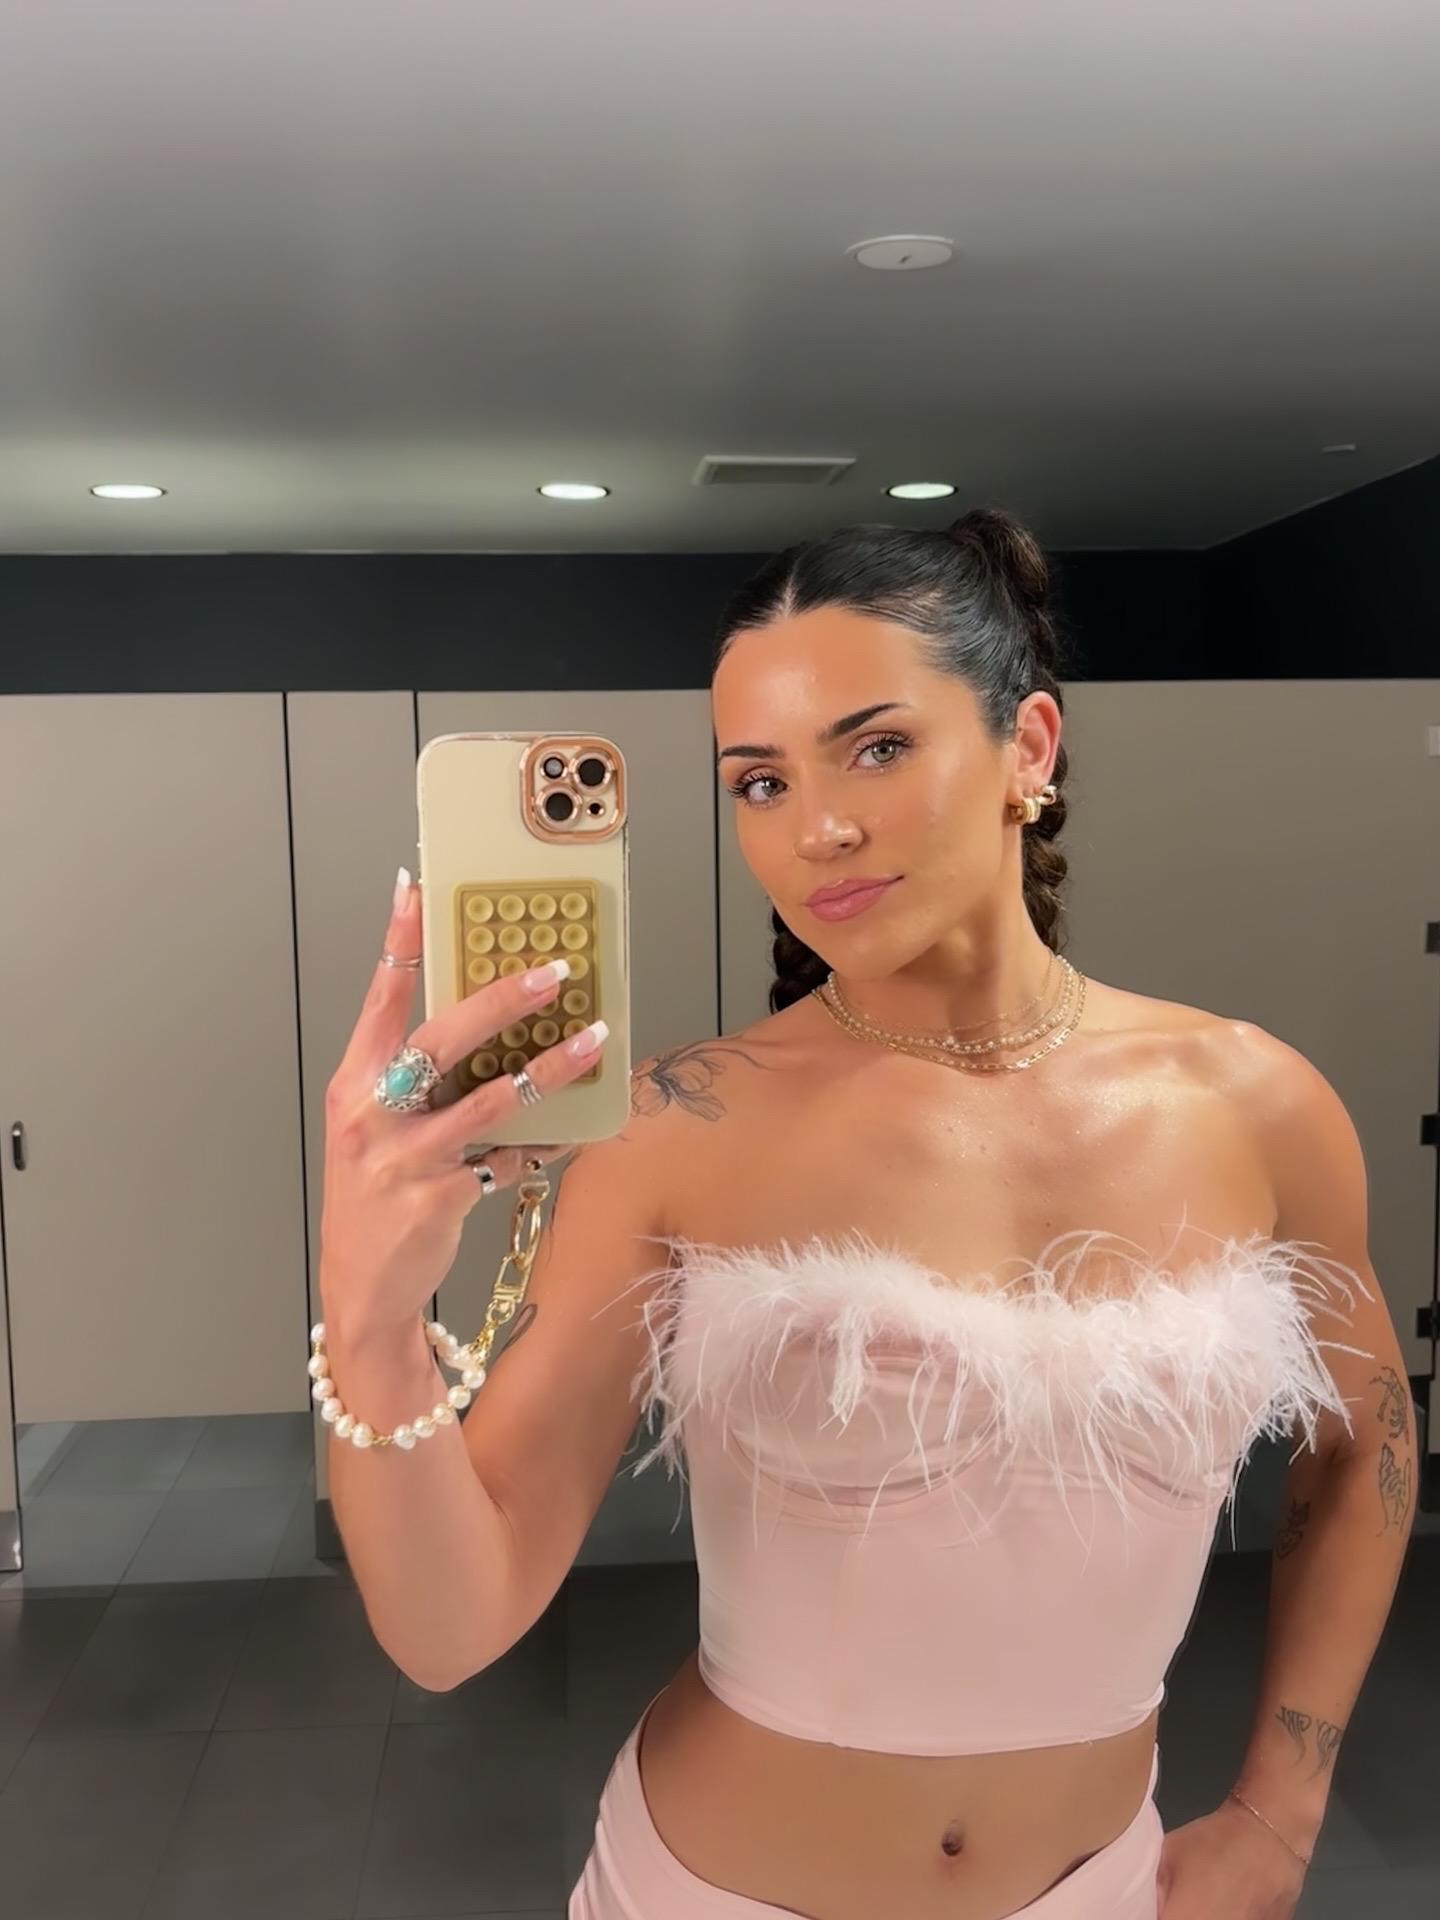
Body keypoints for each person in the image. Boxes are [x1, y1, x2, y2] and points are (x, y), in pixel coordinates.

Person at [317, 507, 1417, 1920]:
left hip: (1103, 1891)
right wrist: (370, 1310)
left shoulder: (1256, 1105)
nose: (816, 827)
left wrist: (1279, 1810)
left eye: (878, 748)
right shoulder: (674, 1132)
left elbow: (1369, 1435)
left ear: (1028, 748)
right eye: (760, 782)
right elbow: (448, 1629)